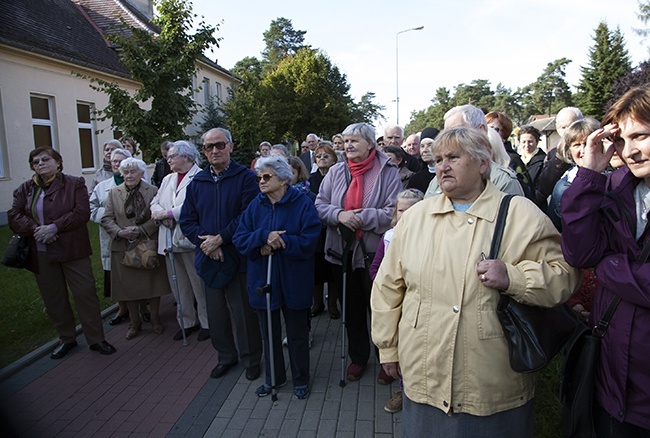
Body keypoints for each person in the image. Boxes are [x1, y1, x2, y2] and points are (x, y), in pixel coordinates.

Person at [371, 127, 580, 436]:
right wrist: (387, 348)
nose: (442, 166)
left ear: (483, 163)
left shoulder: (519, 214)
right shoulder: (415, 218)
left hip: (491, 383)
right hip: (424, 373)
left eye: (454, 157)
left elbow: (565, 275)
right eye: (439, 158)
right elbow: (388, 288)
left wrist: (515, 277)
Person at [561, 86, 650, 436]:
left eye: (640, 136)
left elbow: (601, 263)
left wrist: (610, 267)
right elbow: (580, 253)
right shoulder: (618, 188)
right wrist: (589, 174)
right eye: (622, 140)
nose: (629, 151)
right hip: (613, 382)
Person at [8, 147, 116, 359]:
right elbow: (14, 215)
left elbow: (81, 212)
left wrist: (54, 227)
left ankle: (96, 339)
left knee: (85, 294)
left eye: (45, 159)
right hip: (41, 252)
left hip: (72, 250)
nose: (41, 164)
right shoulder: (25, 189)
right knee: (54, 298)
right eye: (36, 162)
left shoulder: (74, 184)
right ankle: (67, 338)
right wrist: (37, 230)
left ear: (58, 162)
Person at [315, 122, 401, 383]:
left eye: (355, 141)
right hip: (342, 252)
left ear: (370, 144)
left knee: (379, 310)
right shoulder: (336, 171)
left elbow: (393, 211)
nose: (349, 145)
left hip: (374, 254)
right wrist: (339, 215)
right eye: (346, 140)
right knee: (351, 309)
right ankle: (358, 358)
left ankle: (385, 360)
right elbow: (320, 205)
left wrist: (361, 217)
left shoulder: (387, 171)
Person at [233, 155, 321, 399]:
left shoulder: (302, 204)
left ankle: (301, 379)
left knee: (296, 334)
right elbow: (240, 238)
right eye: (259, 177)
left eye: (267, 176)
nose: (261, 181)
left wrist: (281, 242)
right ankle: (274, 378)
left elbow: (310, 239)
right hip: (264, 279)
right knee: (269, 334)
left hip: (294, 279)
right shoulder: (255, 205)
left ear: (283, 179)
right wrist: (262, 238)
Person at [179, 127, 263, 381]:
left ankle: (251, 359)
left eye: (219, 145)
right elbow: (187, 219)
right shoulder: (198, 183)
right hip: (208, 259)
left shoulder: (246, 178)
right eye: (208, 147)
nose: (214, 150)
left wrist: (220, 240)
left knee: (243, 314)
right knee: (216, 315)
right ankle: (225, 356)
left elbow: (247, 216)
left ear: (230, 146)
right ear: (203, 151)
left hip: (237, 257)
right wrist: (206, 244)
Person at [101, 157, 170, 339]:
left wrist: (140, 230)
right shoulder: (114, 192)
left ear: (141, 173)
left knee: (152, 285)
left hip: (146, 244)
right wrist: (120, 232)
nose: (129, 175)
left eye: (133, 171)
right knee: (128, 288)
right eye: (125, 172)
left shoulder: (152, 190)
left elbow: (157, 216)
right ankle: (134, 323)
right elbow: (106, 218)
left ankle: (155, 319)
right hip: (122, 245)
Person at [369, 188, 424, 414]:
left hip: (417, 304)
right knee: (400, 349)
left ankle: (419, 390)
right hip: (396, 305)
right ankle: (403, 389)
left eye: (412, 209)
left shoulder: (429, 238)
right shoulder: (389, 237)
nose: (406, 214)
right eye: (401, 210)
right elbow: (375, 268)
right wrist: (387, 285)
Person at [150, 140, 209, 342]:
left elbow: (195, 205)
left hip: (188, 237)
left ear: (186, 156)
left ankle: (207, 322)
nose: (168, 159)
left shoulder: (200, 177)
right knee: (178, 284)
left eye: (172, 155)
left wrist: (168, 213)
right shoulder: (167, 179)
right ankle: (187, 321)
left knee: (197, 283)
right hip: (168, 237)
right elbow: (155, 201)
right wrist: (159, 213)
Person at [425, 105, 524, 198]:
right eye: (446, 132)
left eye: (457, 131)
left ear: (481, 130)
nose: (449, 138)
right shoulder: (439, 179)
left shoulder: (502, 181)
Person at [89, 147, 132, 325]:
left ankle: (141, 309)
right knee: (115, 275)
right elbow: (91, 209)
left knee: (136, 272)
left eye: (121, 161)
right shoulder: (102, 187)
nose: (117, 164)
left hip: (133, 236)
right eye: (114, 161)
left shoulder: (137, 181)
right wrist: (110, 217)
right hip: (110, 236)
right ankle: (122, 309)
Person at [547, 118, 601, 232]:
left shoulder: (617, 178)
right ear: (569, 150)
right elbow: (555, 228)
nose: (584, 150)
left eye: (588, 143)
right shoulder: (563, 187)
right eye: (577, 145)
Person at [309, 143, 340, 319]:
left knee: (333, 268)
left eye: (325, 156)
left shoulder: (339, 178)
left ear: (334, 159)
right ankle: (317, 303)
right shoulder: (311, 180)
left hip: (334, 228)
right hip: (315, 231)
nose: (321, 158)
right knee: (316, 268)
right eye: (318, 155)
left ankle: (332, 304)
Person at [486, 111, 534, 197]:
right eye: (487, 127)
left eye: (495, 129)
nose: (488, 132)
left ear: (504, 134)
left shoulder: (512, 159)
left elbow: (527, 191)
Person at [407, 128, 439, 193]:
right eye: (422, 146)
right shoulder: (415, 179)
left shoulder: (447, 175)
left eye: (430, 145)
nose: (425, 150)